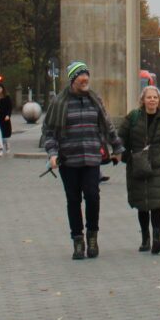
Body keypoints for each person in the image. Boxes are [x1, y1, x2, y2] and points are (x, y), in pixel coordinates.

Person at [41, 63, 123, 260]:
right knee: (73, 201)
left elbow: (107, 124)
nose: (85, 80)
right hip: (68, 160)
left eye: (87, 76)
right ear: (73, 80)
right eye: (81, 77)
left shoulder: (95, 100)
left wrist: (117, 146)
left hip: (91, 158)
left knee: (93, 197)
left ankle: (92, 236)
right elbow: (49, 132)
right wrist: (52, 153)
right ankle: (78, 240)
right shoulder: (59, 103)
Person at [118, 85, 160, 254]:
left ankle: (156, 238)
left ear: (159, 100)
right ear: (143, 100)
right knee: (142, 204)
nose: (152, 100)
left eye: (155, 97)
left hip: (157, 166)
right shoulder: (133, 117)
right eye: (149, 97)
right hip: (138, 165)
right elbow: (120, 138)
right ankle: (145, 239)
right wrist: (123, 155)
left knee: (156, 204)